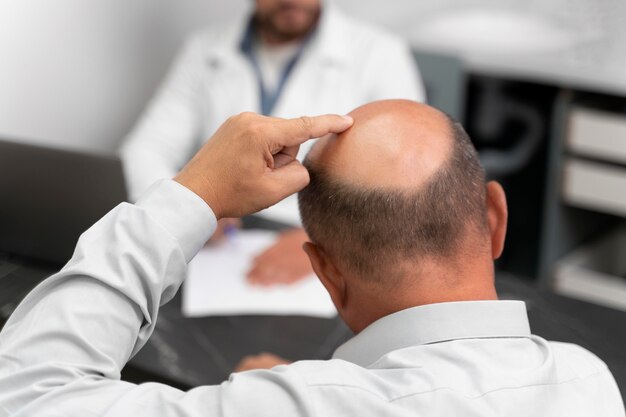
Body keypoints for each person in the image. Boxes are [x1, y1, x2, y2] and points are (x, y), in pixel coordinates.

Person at [0, 102, 623, 416]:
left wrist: (196, 195)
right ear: (494, 218)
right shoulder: (592, 384)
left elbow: (27, 395)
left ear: (324, 271)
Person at [120, 0, 425, 286]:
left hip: (330, 246)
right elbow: (145, 149)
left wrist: (327, 243)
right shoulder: (204, 49)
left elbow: (408, 177)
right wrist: (191, 210)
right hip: (222, 247)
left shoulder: (381, 54)